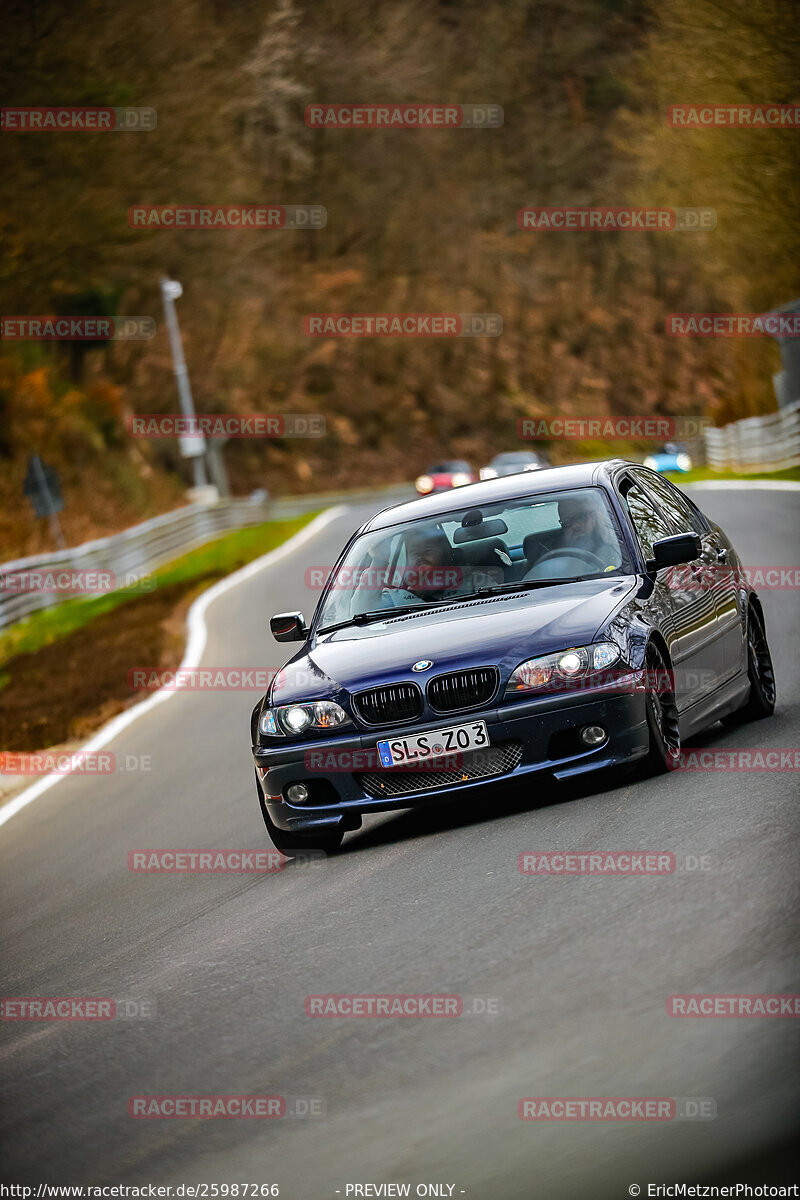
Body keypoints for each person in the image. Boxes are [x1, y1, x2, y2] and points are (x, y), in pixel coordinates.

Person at [548, 495, 621, 568]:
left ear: (597, 516)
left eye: (581, 517)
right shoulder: (557, 559)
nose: (575, 526)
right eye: (567, 522)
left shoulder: (620, 546)